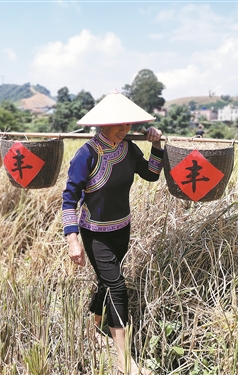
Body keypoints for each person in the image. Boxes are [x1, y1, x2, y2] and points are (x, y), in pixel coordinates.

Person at [62, 91, 163, 375]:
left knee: (108, 282)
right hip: (95, 233)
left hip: (122, 228)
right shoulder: (86, 154)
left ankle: (94, 329)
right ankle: (123, 360)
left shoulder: (129, 149)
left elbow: (151, 174)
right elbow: (69, 198)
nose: (125, 129)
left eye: (128, 124)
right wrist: (73, 239)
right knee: (117, 287)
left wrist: (156, 146)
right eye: (119, 125)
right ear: (102, 124)